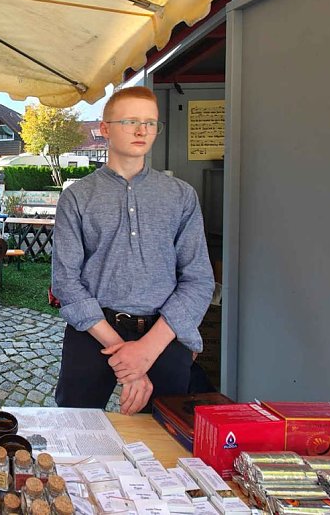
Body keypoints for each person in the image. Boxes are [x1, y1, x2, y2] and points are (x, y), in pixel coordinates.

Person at [51, 86, 214, 415]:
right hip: (94, 330)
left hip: (164, 332)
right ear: (105, 128)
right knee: (76, 425)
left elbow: (198, 279)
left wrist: (147, 350)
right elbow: (65, 281)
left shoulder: (180, 196)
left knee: (164, 438)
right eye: (130, 121)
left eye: (151, 123)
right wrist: (123, 354)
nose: (142, 130)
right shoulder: (78, 197)